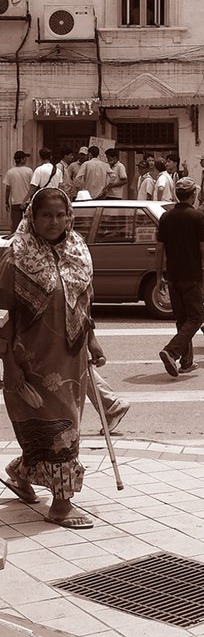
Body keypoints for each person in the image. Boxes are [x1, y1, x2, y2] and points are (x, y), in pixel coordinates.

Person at [0, 188, 105, 527]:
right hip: (30, 362)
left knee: (65, 424)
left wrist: (92, 340)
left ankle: (21, 473)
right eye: (46, 215)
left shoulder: (77, 250)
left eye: (60, 215)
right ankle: (61, 505)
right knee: (57, 428)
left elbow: (84, 302)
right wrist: (9, 364)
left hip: (70, 360)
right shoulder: (16, 256)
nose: (54, 221)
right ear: (32, 215)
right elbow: (3, 315)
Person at [156, 177, 204, 377]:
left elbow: (159, 249)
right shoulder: (197, 217)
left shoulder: (165, 217)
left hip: (172, 275)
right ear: (193, 195)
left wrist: (158, 277)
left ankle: (187, 362)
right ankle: (171, 351)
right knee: (196, 318)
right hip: (191, 276)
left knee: (183, 319)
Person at [3, 150, 32, 232]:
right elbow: (32, 186)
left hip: (15, 202)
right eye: (25, 158)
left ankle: (14, 242)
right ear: (22, 159)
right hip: (27, 201)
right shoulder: (29, 171)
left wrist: (6, 202)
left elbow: (8, 188)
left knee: (15, 226)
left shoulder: (10, 172)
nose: (26, 159)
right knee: (28, 224)